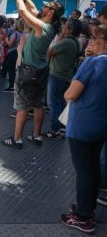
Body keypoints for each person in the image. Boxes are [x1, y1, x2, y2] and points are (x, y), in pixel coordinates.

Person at [2, 0, 64, 149]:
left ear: (50, 12)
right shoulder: (48, 26)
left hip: (28, 71)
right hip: (41, 70)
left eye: (45, 7)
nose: (41, 8)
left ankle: (17, 139)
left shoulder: (41, 26)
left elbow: (22, 11)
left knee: (22, 107)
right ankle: (36, 135)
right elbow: (30, 7)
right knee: (37, 105)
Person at [60, 24, 107, 234]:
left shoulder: (92, 63)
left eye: (93, 39)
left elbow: (70, 94)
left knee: (84, 171)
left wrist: (87, 61)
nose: (90, 42)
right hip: (101, 124)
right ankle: (88, 207)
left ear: (102, 42)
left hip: (83, 125)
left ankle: (82, 216)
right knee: (93, 167)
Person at [42, 19, 82, 139]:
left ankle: (54, 129)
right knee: (59, 103)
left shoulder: (66, 42)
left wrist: (57, 41)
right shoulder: (75, 41)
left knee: (54, 104)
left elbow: (49, 52)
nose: (63, 27)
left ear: (70, 29)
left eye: (65, 26)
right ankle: (60, 128)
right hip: (65, 75)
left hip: (57, 76)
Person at [3, 19, 24, 92]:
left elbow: (10, 44)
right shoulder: (23, 34)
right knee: (17, 70)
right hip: (20, 52)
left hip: (12, 52)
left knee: (11, 70)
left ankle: (11, 86)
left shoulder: (15, 34)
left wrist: (6, 39)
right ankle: (16, 85)